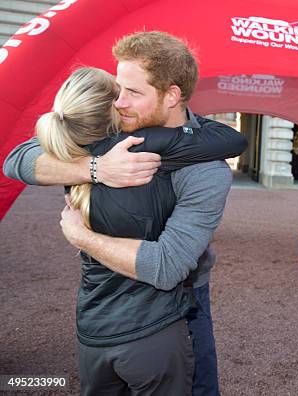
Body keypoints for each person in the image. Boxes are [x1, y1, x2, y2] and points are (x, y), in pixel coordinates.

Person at [3, 31, 247, 396]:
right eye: (119, 87)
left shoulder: (205, 169)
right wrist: (95, 168)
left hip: (181, 309)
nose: (119, 101)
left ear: (172, 95)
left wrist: (81, 237)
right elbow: (17, 160)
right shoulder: (110, 126)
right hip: (101, 309)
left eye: (133, 92)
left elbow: (167, 266)